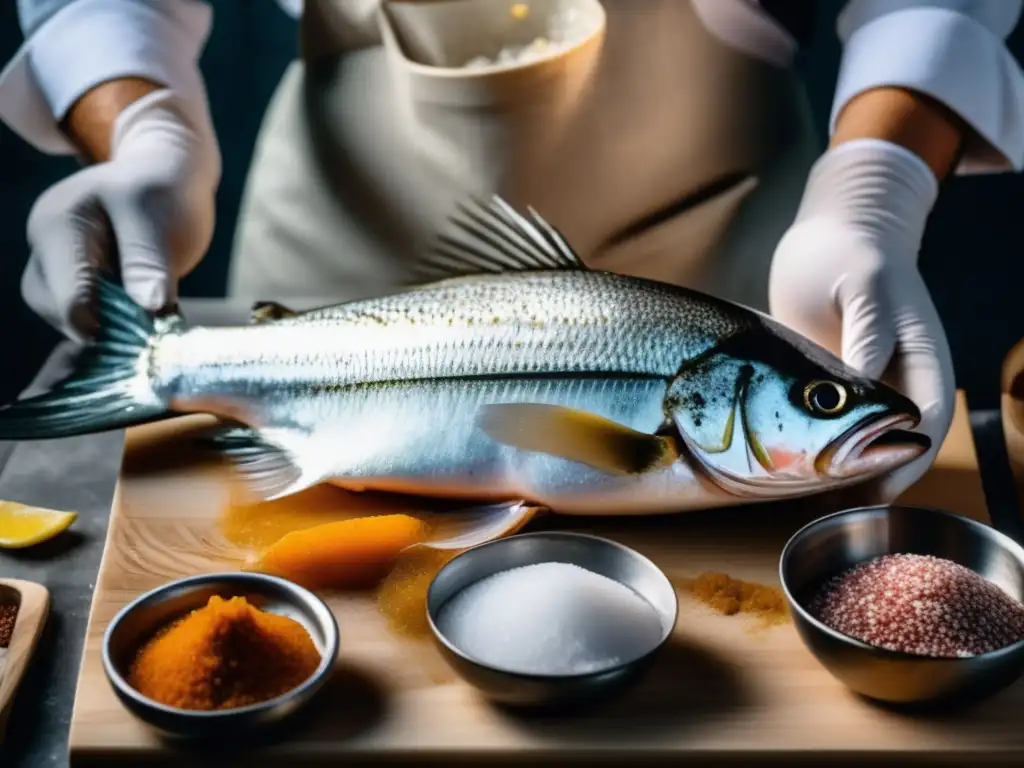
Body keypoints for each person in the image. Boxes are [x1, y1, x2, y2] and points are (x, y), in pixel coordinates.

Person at [1, 0, 1022, 502]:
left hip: (730, 232)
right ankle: (170, 365)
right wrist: (146, 133)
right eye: (822, 398)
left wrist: (874, 187)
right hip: (336, 204)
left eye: (820, 400)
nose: (830, 400)